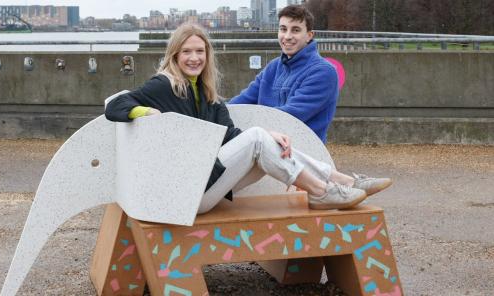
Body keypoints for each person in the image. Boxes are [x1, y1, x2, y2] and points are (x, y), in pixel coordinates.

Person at [105, 23, 392, 214]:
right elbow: (115, 105)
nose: (194, 58)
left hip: (207, 180)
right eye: (187, 52)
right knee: (257, 137)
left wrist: (269, 134)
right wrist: (147, 113)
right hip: (186, 193)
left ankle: (341, 181)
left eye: (200, 51)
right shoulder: (163, 85)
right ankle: (322, 190)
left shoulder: (207, 94)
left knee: (263, 138)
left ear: (207, 55)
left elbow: (230, 135)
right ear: (175, 55)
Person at [229, 5, 337, 144]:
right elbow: (243, 100)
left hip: (302, 151)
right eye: (283, 29)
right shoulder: (273, 67)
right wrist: (218, 114)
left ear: (309, 36)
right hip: (267, 144)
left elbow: (286, 118)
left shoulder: (323, 72)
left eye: (295, 30)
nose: (287, 36)